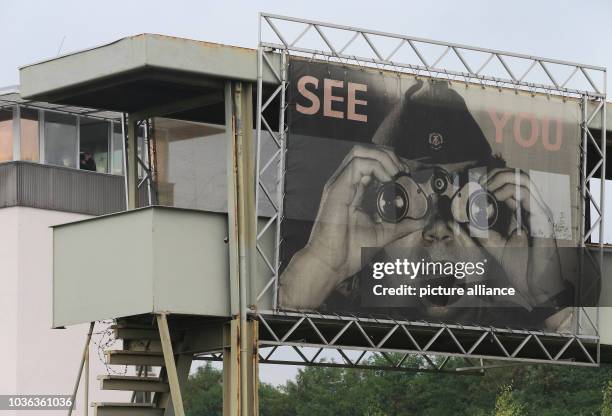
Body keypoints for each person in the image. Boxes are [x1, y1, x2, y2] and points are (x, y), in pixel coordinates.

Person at [279, 80, 573, 331]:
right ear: (366, 215)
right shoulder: (332, 304)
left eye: (471, 205)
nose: (437, 231)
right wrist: (322, 267)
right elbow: (258, 336)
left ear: (499, 216)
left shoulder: (525, 321)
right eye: (401, 201)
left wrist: (547, 300)